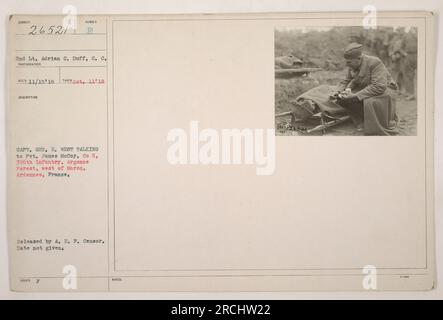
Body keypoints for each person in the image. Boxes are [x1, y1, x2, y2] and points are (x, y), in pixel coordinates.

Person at [334, 42, 397, 132]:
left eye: (349, 62)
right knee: (342, 99)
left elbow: (379, 86)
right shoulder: (353, 63)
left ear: (359, 58)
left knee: (370, 102)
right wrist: (339, 91)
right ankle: (361, 119)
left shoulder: (375, 62)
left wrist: (355, 96)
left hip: (384, 89)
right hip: (367, 87)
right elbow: (347, 80)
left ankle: (378, 121)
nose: (347, 65)